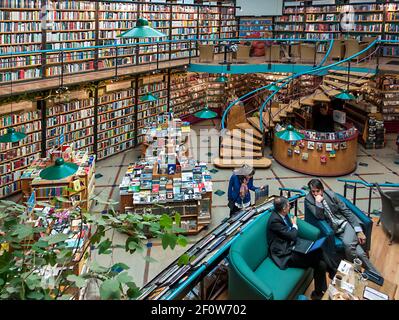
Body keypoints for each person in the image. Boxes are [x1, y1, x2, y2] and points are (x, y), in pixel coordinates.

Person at [304, 178, 381, 276]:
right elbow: (319, 217)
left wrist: (358, 231)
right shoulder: (309, 200)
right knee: (360, 253)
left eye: (317, 191)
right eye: (313, 191)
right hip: (335, 230)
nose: (315, 194)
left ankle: (355, 273)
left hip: (345, 225)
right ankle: (376, 276)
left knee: (348, 244)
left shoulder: (331, 195)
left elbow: (346, 211)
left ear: (322, 189)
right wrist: (318, 203)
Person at [267, 196, 330, 300]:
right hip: (284, 254)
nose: (290, 206)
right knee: (319, 256)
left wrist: (292, 228)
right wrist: (295, 225)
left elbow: (290, 234)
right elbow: (292, 235)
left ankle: (318, 293)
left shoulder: (283, 214)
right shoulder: (274, 221)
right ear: (283, 209)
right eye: (288, 205)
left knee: (321, 263)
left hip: (292, 245)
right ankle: (333, 270)